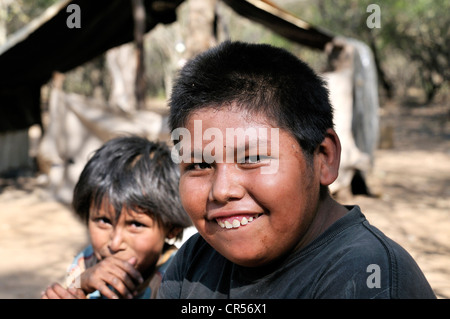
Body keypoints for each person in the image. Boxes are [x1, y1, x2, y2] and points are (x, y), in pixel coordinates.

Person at [157, 41, 436, 298]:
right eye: (199, 165)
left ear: (324, 158)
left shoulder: (368, 278)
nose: (222, 190)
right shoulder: (196, 261)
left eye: (252, 158)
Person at [41, 136, 192, 299]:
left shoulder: (179, 276)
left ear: (171, 228)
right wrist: (79, 286)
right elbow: (72, 287)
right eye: (103, 221)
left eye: (135, 224)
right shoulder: (87, 261)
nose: (115, 243)